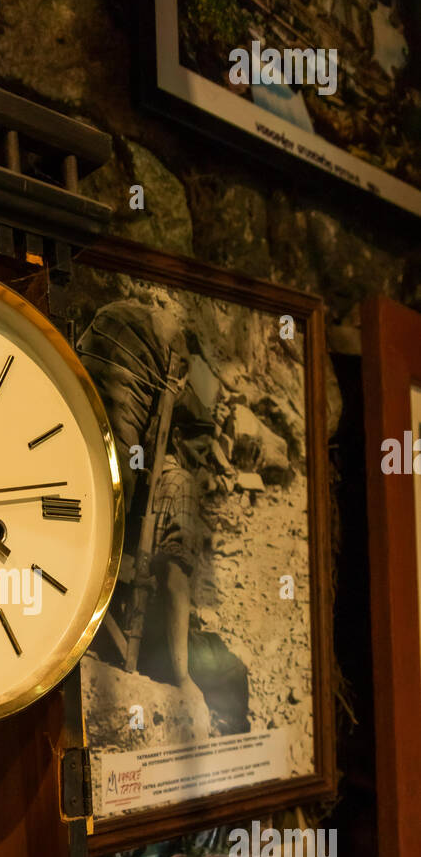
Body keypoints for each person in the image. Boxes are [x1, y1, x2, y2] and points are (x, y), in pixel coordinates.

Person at [77, 300, 250, 734]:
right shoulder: (175, 481)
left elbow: (173, 576)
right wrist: (183, 677)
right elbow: (175, 580)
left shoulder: (165, 476)